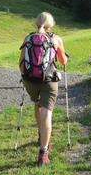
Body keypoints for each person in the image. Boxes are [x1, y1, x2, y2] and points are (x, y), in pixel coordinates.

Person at [19, 11, 69, 166]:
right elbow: (62, 61)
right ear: (51, 25)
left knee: (37, 104)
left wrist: (25, 78)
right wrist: (65, 57)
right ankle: (43, 152)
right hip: (49, 80)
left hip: (30, 81)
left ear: (36, 23)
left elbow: (20, 62)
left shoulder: (28, 38)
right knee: (47, 113)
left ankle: (41, 134)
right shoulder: (56, 39)